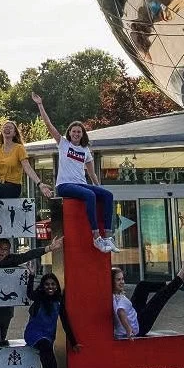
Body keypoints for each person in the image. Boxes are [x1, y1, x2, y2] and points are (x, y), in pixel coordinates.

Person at [33, 93, 118, 253]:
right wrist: (40, 105)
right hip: (65, 185)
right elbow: (49, 125)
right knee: (90, 196)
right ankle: (96, 237)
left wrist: (99, 188)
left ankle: (107, 236)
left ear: (82, 134)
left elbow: (92, 174)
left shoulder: (85, 150)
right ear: (69, 133)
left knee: (107, 195)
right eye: (74, 131)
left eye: (79, 132)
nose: (76, 134)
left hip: (81, 184)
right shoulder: (63, 144)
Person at [23, 272, 79, 368]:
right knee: (46, 349)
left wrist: (74, 342)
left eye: (53, 284)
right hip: (33, 334)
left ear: (57, 286)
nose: (50, 287)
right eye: (47, 284)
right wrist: (31, 277)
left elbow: (65, 322)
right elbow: (29, 293)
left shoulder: (59, 301)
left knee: (48, 355)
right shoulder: (39, 298)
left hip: (48, 336)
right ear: (43, 286)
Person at [110, 258, 184, 339]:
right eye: (118, 280)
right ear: (112, 282)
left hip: (134, 317)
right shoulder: (118, 300)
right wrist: (128, 330)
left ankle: (169, 284)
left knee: (142, 286)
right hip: (139, 327)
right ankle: (180, 278)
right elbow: (120, 312)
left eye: (122, 279)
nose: (122, 282)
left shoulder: (115, 294)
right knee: (159, 298)